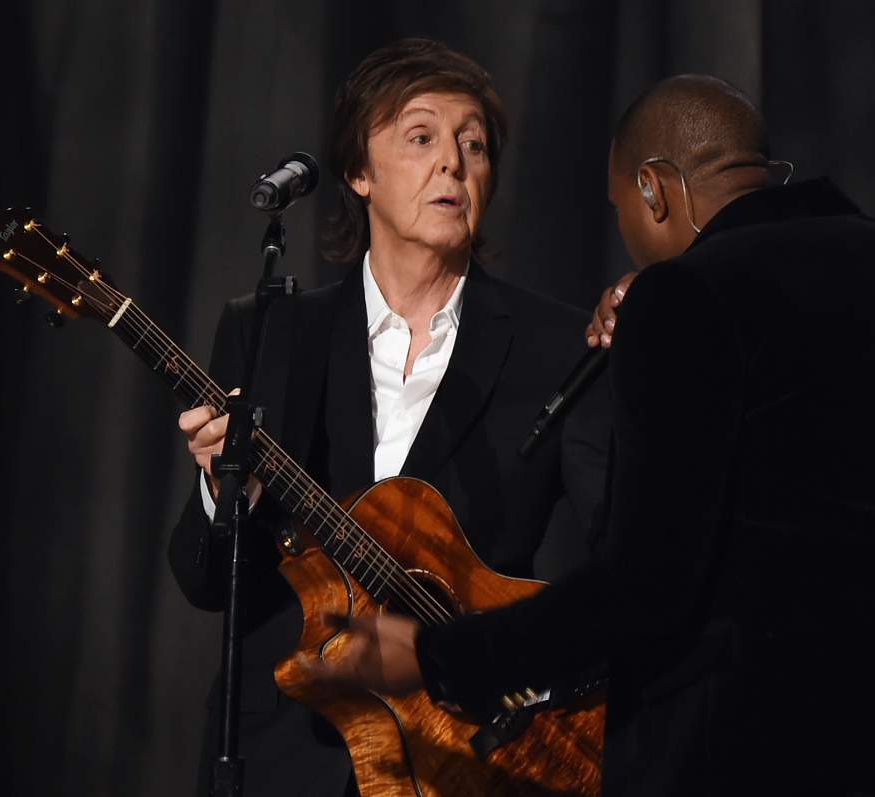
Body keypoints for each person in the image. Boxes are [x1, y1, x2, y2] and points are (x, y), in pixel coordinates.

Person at [319, 75, 875, 795]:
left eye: (622, 208)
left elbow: (646, 582)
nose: (628, 231)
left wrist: (440, 656)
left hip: (768, 742)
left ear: (655, 190)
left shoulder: (686, 295)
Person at [166, 39, 610, 797]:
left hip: (469, 758)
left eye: (474, 144)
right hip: (286, 761)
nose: (453, 163)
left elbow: (624, 561)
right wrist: (221, 493)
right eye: (421, 136)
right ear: (359, 173)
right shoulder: (270, 332)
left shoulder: (559, 348)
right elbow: (206, 580)